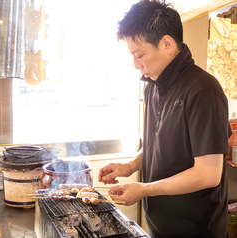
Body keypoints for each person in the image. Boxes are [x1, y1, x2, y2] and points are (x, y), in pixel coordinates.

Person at [98, 0, 232, 237]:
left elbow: (208, 174)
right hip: (160, 226)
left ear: (167, 44)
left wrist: (144, 189)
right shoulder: (152, 85)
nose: (135, 65)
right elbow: (157, 144)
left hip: (195, 230)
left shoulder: (203, 90)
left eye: (139, 55)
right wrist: (129, 165)